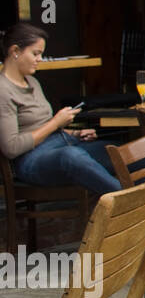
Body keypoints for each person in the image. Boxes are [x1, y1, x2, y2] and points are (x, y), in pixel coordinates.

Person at [1, 23, 120, 196]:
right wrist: (56, 123)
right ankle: (130, 203)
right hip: (29, 160)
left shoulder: (32, 81)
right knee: (70, 156)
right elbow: (10, 148)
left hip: (60, 143)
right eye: (36, 53)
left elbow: (44, 128)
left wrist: (75, 134)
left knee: (120, 152)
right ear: (15, 51)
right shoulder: (3, 90)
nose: (40, 59)